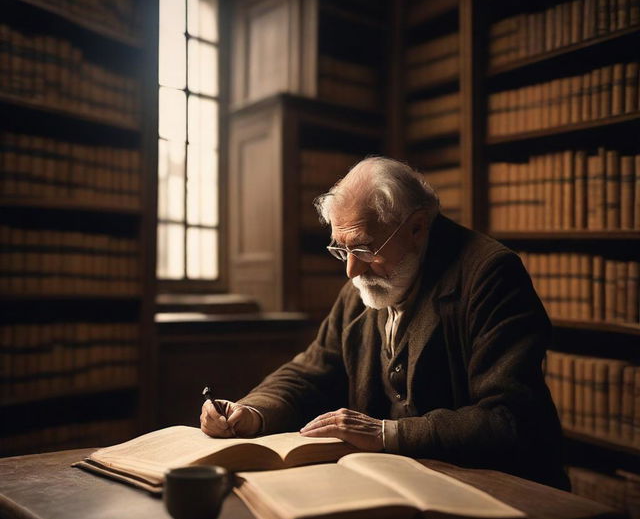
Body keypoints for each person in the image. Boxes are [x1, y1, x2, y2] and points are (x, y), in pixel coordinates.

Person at [200, 156, 569, 489]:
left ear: (418, 228)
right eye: (340, 250)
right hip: (394, 486)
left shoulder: (490, 274)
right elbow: (311, 372)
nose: (351, 269)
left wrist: (388, 433)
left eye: (363, 248)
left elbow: (511, 419)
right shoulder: (364, 284)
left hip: (494, 491)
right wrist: (252, 411)